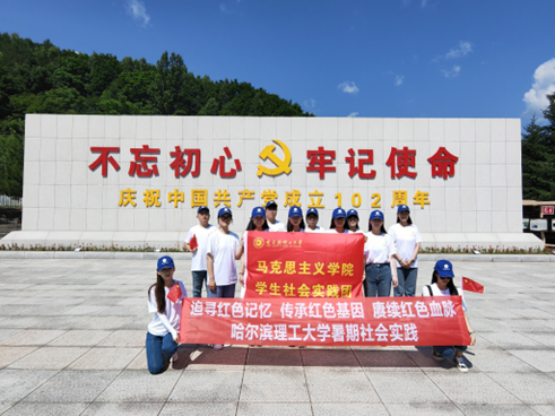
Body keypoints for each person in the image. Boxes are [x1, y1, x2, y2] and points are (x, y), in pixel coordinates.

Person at [422, 260, 476, 373]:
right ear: (436, 274)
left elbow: (462, 313)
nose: (445, 279)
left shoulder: (457, 291)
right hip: (437, 328)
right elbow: (427, 313)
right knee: (447, 353)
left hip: (454, 328)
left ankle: (458, 357)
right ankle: (436, 347)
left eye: (448, 277)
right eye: (442, 276)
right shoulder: (428, 290)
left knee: (464, 341)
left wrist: (471, 332)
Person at [207, 207, 243, 350]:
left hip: (230, 279)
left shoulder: (234, 237)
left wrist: (243, 244)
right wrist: (211, 278)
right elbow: (209, 258)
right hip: (217, 279)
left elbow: (237, 256)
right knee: (215, 311)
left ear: (231, 220)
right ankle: (215, 338)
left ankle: (226, 336)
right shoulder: (213, 236)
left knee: (227, 311)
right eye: (223, 217)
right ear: (218, 219)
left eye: (228, 218)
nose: (225, 220)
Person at [146, 256, 186, 375]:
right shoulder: (154, 290)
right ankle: (159, 347)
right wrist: (173, 332)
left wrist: (178, 330)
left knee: (169, 348)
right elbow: (161, 314)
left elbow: (185, 305)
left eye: (169, 268)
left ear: (174, 269)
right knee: (155, 369)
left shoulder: (179, 285)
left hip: (171, 331)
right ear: (158, 272)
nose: (167, 272)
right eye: (163, 270)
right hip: (156, 332)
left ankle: (170, 349)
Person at [389, 205, 423, 297]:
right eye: (401, 213)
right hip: (398, 265)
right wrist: (401, 260)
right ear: (397, 214)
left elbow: (417, 245)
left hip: (412, 265)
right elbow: (392, 246)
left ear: (408, 214)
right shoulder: (393, 228)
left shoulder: (414, 228)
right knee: (398, 293)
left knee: (410, 293)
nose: (403, 215)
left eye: (406, 213)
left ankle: (409, 307)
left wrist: (411, 260)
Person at [364, 210, 399, 297]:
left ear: (382, 222)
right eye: (374, 220)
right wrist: (362, 272)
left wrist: (394, 276)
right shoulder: (365, 237)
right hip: (370, 270)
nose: (376, 222)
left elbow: (392, 257)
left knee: (384, 300)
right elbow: (363, 257)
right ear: (370, 221)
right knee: (369, 299)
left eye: (379, 220)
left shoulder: (387, 237)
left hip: (385, 271)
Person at [184, 207, 216, 298]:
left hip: (211, 266)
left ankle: (210, 307)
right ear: (197, 216)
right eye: (202, 214)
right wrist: (190, 248)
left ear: (209, 216)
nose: (204, 216)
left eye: (206, 213)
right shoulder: (193, 229)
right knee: (196, 292)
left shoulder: (214, 229)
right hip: (197, 266)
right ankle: (197, 307)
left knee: (211, 292)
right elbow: (185, 243)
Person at [239, 207, 269, 288]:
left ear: (265, 218)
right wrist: (241, 273)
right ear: (252, 219)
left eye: (261, 218)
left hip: (265, 270)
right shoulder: (247, 234)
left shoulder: (269, 233)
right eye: (257, 218)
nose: (259, 220)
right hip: (251, 271)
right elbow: (244, 255)